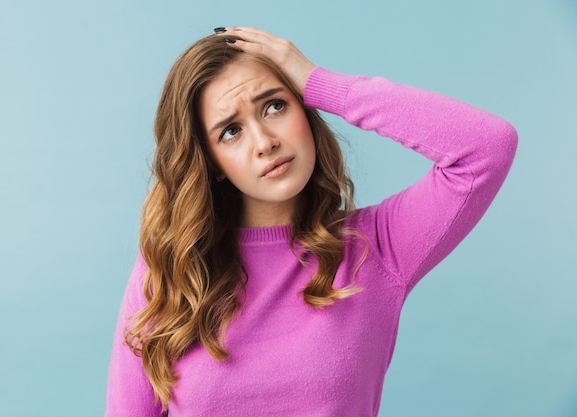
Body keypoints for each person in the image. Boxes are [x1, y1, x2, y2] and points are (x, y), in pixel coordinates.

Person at [105, 27, 517, 417]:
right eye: (231, 131)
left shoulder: (376, 248)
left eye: (275, 105)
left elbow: (487, 147)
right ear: (211, 163)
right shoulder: (170, 271)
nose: (265, 141)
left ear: (305, 108)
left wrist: (318, 81)